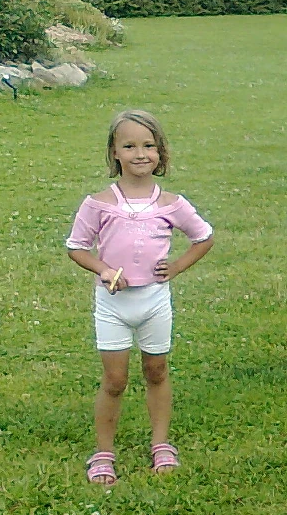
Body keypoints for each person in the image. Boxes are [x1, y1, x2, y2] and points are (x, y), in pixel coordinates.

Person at [66, 110, 214, 484]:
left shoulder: (172, 203)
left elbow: (204, 237)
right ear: (114, 152)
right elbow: (77, 247)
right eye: (129, 145)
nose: (140, 154)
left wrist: (177, 267)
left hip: (155, 302)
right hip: (113, 305)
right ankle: (103, 452)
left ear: (161, 153)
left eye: (149, 146)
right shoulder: (98, 203)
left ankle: (161, 443)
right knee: (115, 380)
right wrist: (103, 270)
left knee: (157, 371)